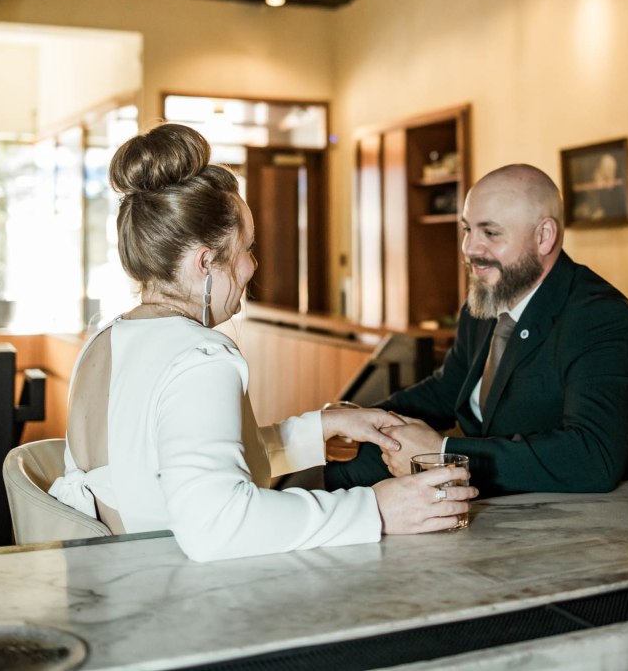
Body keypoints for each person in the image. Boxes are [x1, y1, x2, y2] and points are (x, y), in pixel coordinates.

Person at [49, 123, 476, 562]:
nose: (253, 266)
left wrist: (322, 429)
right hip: (173, 601)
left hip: (108, 588)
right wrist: (379, 509)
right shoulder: (200, 358)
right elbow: (218, 526)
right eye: (247, 248)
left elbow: (176, 468)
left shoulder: (104, 342)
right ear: (205, 262)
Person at [326, 164, 628, 497]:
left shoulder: (602, 319)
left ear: (544, 236)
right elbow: (448, 389)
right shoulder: (486, 297)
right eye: (467, 229)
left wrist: (445, 454)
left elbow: (592, 458)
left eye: (490, 233)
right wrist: (368, 421)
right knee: (347, 467)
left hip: (576, 510)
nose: (470, 248)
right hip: (494, 484)